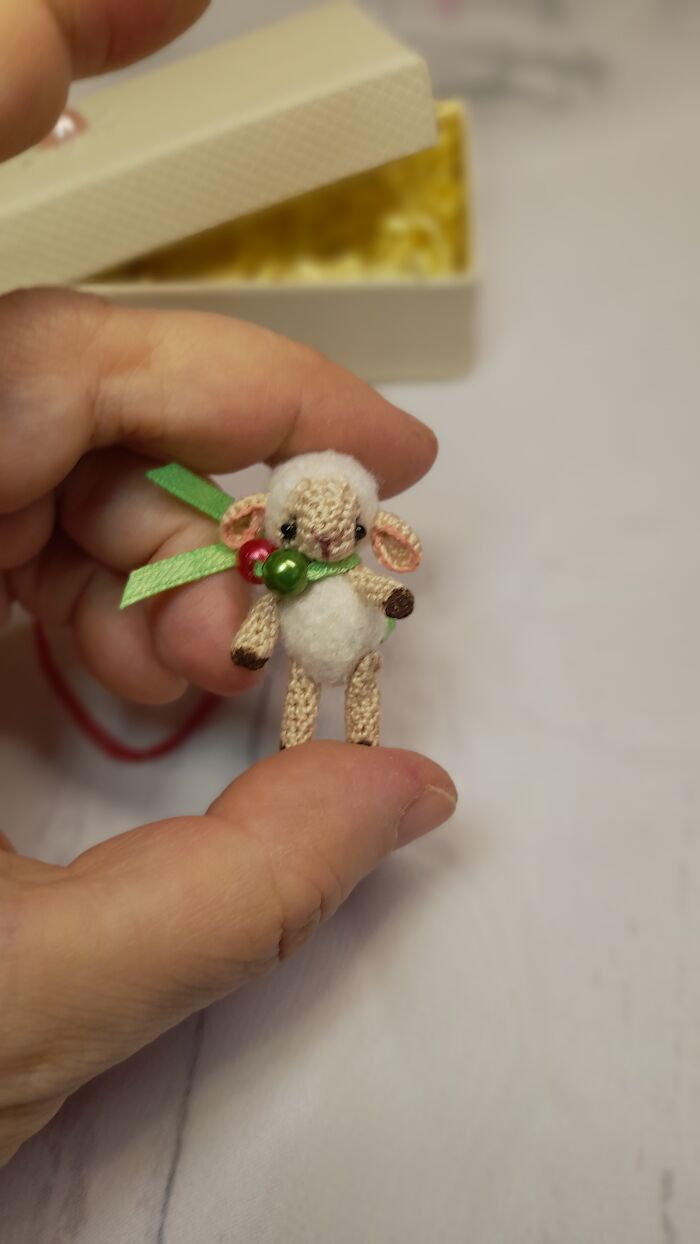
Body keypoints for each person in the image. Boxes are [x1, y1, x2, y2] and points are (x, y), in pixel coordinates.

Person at [0, 0, 457, 1167]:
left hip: (351, 629)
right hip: (301, 625)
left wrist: (385, 593)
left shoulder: (347, 549)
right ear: (270, 513)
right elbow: (254, 606)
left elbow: (379, 583)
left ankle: (342, 737)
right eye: (305, 516)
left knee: (353, 683)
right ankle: (309, 746)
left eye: (337, 518)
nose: (321, 525)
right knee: (296, 685)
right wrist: (258, 632)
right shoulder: (259, 551)